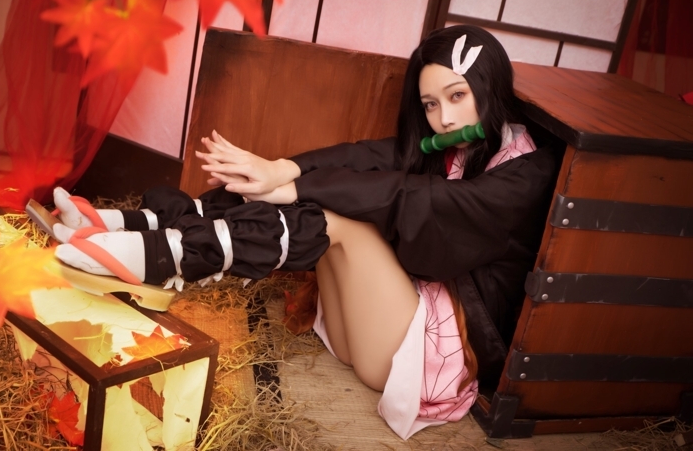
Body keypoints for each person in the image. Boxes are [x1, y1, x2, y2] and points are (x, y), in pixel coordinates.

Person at [51, 25, 559, 439]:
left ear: (489, 88)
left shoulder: (526, 174)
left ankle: (166, 258)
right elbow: (369, 157)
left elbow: (418, 199)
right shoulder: (462, 144)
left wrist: (292, 186)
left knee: (339, 216)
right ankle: (137, 226)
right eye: (430, 104)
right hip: (368, 334)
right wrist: (282, 169)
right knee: (328, 193)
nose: (444, 119)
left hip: (424, 365)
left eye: (457, 96)